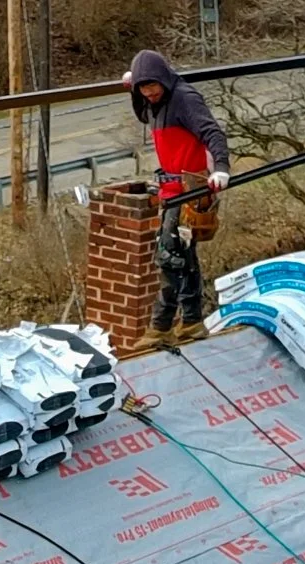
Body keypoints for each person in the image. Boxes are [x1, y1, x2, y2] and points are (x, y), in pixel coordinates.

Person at [123, 50, 232, 348]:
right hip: (171, 190)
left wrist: (221, 168)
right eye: (143, 88)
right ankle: (192, 321)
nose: (149, 92)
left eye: (152, 86)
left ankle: (161, 325)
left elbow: (212, 132)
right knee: (184, 257)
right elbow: (143, 113)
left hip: (190, 189)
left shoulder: (184, 98)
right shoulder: (155, 104)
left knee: (170, 257)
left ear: (164, 79)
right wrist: (133, 92)